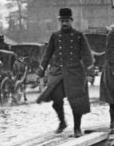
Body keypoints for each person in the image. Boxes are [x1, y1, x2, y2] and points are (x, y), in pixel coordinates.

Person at [36, 8, 94, 137]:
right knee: (56, 99)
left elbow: (87, 54)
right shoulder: (55, 36)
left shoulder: (79, 35)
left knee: (76, 102)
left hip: (75, 73)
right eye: (62, 21)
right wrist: (40, 71)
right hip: (58, 72)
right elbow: (47, 54)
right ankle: (62, 122)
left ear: (71, 20)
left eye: (67, 20)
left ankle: (77, 128)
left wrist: (90, 73)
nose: (64, 23)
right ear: (59, 21)